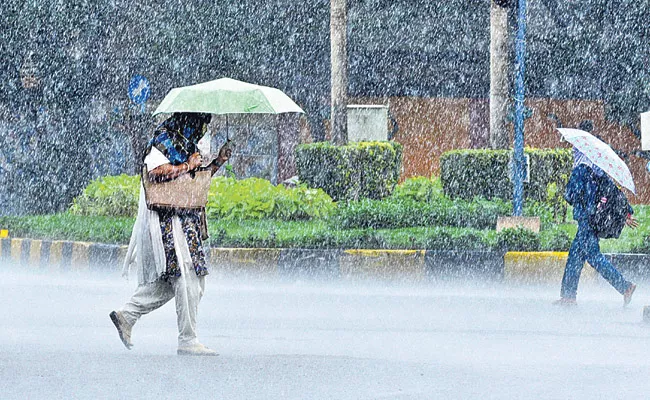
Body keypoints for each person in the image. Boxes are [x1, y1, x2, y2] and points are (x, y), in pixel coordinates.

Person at [110, 112, 231, 356]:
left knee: (179, 280)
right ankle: (188, 339)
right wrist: (187, 165)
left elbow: (192, 181)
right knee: (186, 278)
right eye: (200, 123)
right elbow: (156, 171)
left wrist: (218, 161)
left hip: (186, 221)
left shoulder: (187, 145)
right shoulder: (165, 139)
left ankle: (127, 315)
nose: (201, 129)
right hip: (169, 222)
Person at [555, 148, 638, 306]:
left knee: (593, 256)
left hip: (585, 219)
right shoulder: (599, 171)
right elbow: (614, 193)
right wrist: (627, 212)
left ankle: (625, 286)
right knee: (575, 257)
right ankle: (568, 297)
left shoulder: (580, 170)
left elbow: (570, 195)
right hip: (593, 219)